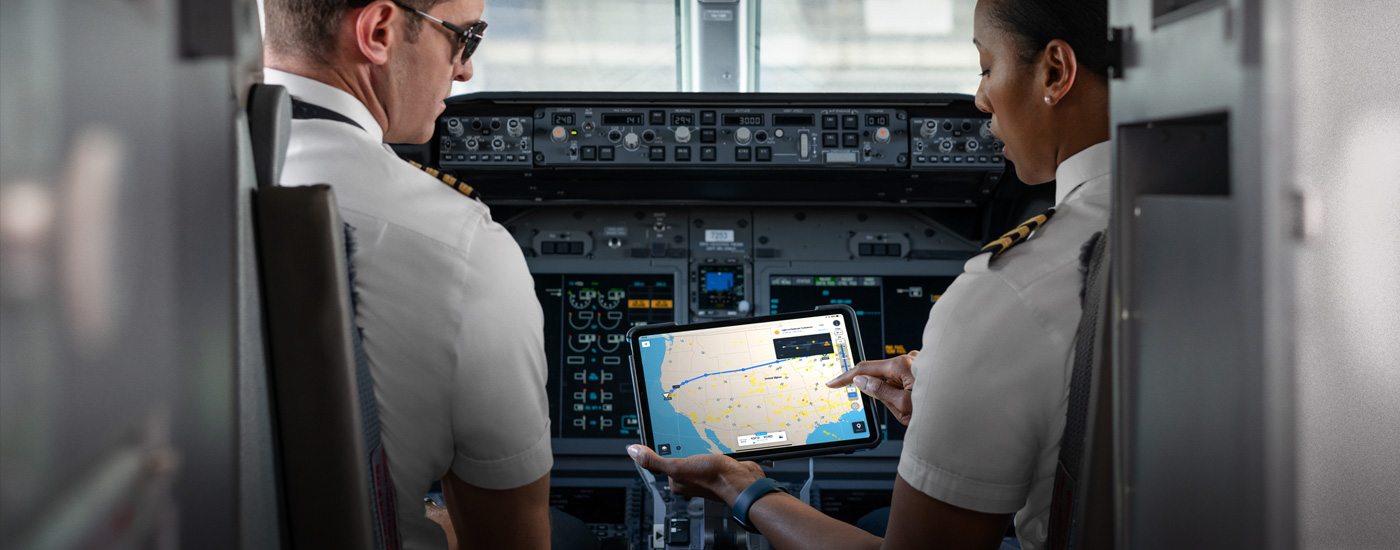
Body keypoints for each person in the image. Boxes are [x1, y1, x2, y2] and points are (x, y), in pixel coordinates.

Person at [626, 0, 1111, 548]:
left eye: (985, 67)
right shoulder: (1208, 236)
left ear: (1054, 71)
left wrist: (740, 485)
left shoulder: (1003, 293)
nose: (980, 98)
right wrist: (953, 384)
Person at [261, 1, 555, 548]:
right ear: (378, 31)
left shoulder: (142, 190)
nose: (466, 69)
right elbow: (510, 538)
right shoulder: (463, 246)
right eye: (466, 36)